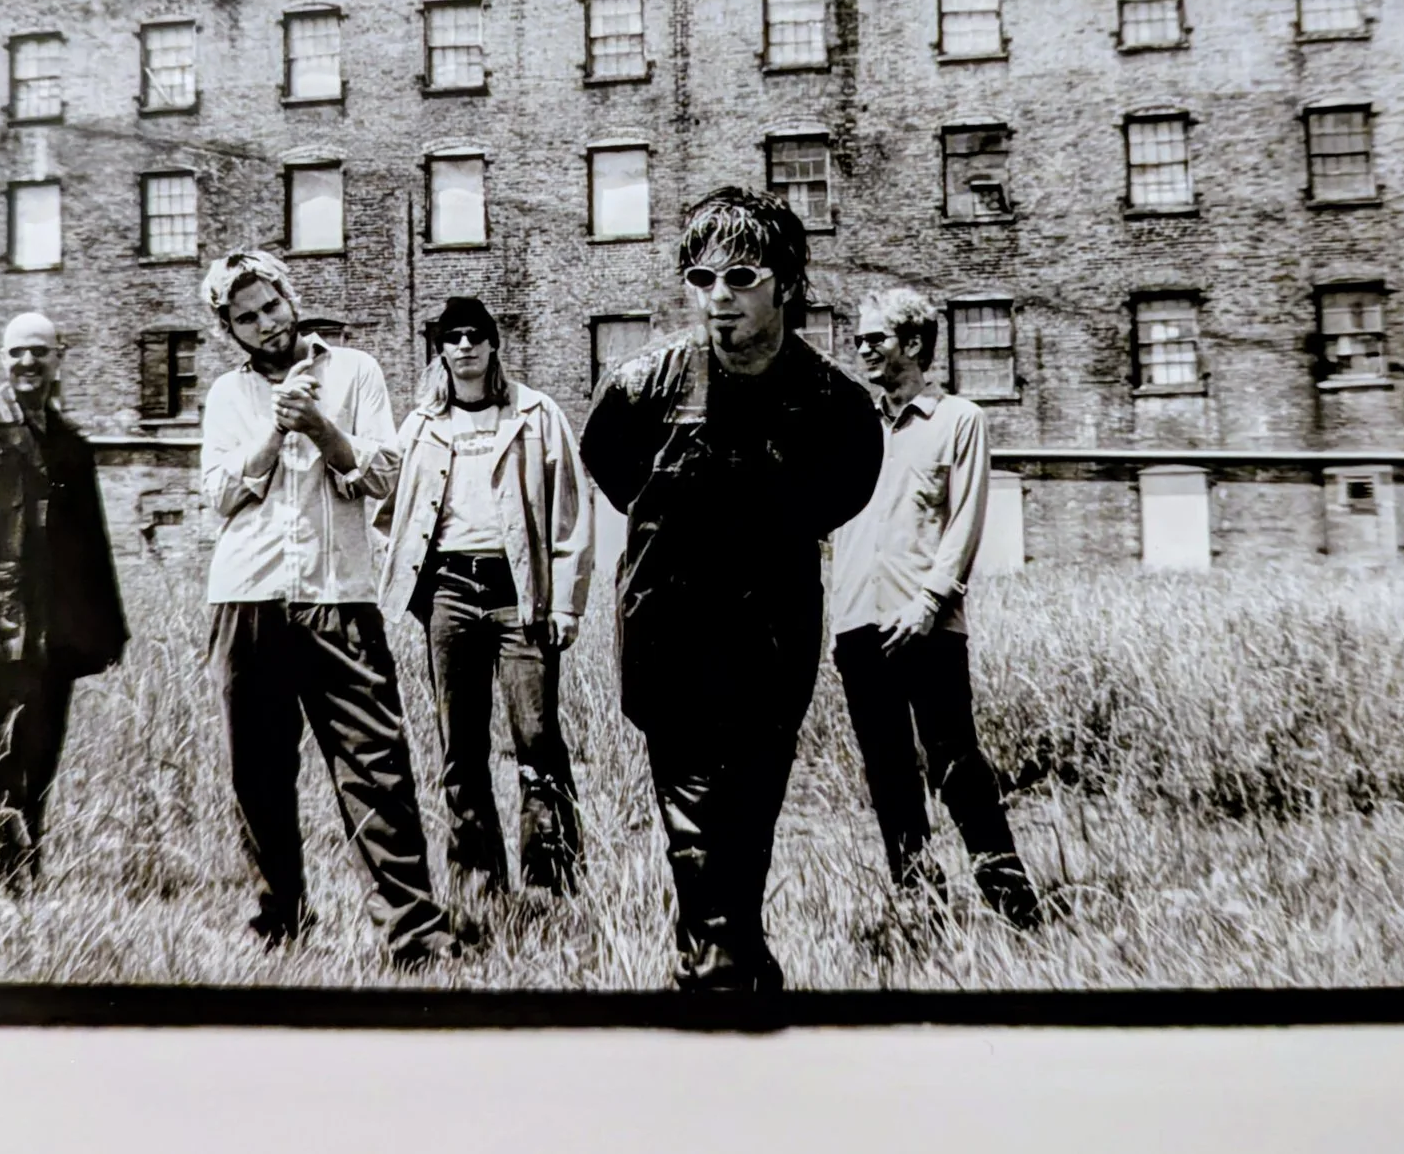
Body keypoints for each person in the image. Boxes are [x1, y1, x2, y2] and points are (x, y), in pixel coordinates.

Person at [580, 188, 884, 991]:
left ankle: (733, 957)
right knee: (692, 817)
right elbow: (612, 469)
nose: (719, 297)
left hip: (770, 632)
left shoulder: (838, 406)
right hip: (669, 627)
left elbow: (840, 493)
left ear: (783, 281)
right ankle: (716, 967)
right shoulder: (639, 389)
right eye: (701, 276)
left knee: (750, 810)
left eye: (740, 276)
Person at [198, 250, 456, 968]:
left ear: (289, 296)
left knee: (375, 764)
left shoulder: (355, 371)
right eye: (246, 318)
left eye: (270, 305)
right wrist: (273, 434)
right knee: (258, 771)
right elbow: (218, 493)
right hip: (246, 597)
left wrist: (318, 425)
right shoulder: (226, 394)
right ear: (232, 330)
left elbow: (383, 475)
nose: (265, 323)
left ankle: (416, 937)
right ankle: (278, 925)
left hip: (340, 594)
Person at [830, 287, 1042, 929]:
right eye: (860, 337)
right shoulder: (852, 429)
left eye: (877, 337)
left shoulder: (959, 420)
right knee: (887, 773)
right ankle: (919, 906)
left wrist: (928, 603)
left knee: (956, 763)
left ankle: (1011, 900)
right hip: (858, 625)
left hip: (926, 627)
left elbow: (965, 524)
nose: (862, 347)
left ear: (915, 344)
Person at [378, 296, 593, 902]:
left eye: (477, 335)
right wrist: (414, 582)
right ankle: (479, 881)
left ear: (494, 344)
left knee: (537, 738)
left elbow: (570, 514)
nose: (466, 346)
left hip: (520, 597)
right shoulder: (422, 426)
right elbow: (386, 508)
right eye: (454, 337)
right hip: (449, 592)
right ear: (440, 350)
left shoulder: (536, 414)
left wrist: (566, 603)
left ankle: (551, 879)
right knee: (461, 746)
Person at [0, 311, 129, 893]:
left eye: (39, 352)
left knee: (43, 747)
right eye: (17, 352)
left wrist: (106, 633)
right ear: (2, 357)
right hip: (5, 622)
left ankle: (22, 873)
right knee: (11, 743)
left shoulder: (69, 442)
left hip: (58, 629)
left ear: (58, 358)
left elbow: (92, 545)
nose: (27, 363)